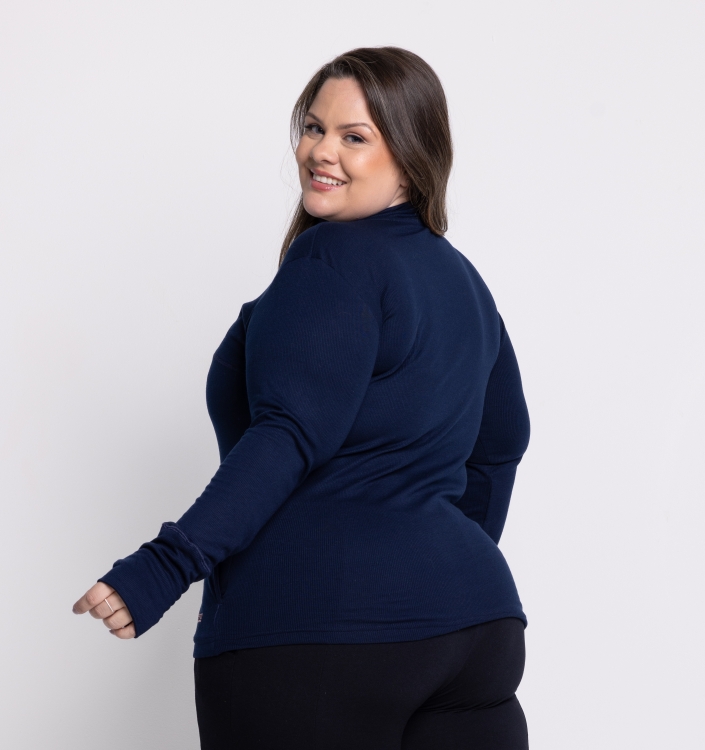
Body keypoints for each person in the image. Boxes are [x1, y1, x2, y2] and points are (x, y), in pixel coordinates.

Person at [72, 46, 532, 750]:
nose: (321, 151)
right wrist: (429, 562)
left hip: (317, 627)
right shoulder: (464, 281)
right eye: (314, 128)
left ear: (411, 155)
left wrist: (163, 567)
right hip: (477, 626)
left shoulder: (333, 258)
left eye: (355, 137)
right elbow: (501, 446)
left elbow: (289, 433)